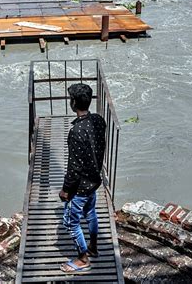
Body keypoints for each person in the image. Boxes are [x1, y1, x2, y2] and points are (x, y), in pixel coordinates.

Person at [59, 83, 106, 274]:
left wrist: (66, 189)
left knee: (70, 223)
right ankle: (93, 247)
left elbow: (74, 167)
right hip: (94, 180)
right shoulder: (98, 120)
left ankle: (82, 259)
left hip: (80, 186)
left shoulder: (76, 131)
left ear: (73, 103)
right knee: (90, 213)